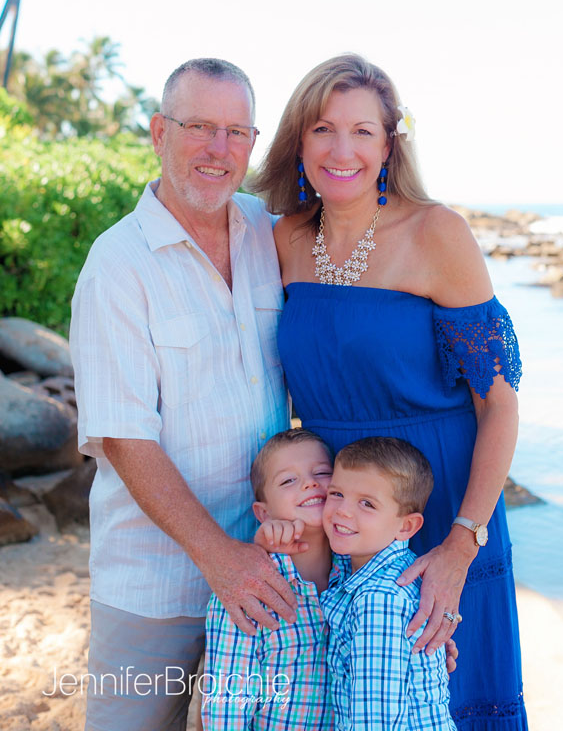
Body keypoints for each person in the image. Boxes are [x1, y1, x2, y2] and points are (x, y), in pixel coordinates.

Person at [250, 53, 527, 729]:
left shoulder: (437, 233)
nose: (341, 149)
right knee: (342, 703)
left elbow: (500, 404)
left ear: (388, 144)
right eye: (322, 129)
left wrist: (463, 541)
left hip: (439, 507)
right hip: (335, 511)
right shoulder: (282, 238)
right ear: (298, 141)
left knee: (450, 701)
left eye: (362, 131)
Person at [70, 58, 296, 731]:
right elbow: (123, 436)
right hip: (154, 586)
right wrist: (219, 557)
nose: (218, 150)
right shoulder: (118, 265)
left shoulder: (268, 233)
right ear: (158, 132)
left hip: (267, 570)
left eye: (236, 131)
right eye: (200, 127)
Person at [202, 427, 335, 730]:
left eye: (323, 473)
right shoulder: (245, 590)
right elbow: (227, 713)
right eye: (289, 480)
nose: (310, 483)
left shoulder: (359, 577)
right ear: (263, 513)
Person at [321, 436, 456, 731]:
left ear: (405, 526)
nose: (343, 511)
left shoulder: (378, 599)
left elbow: (376, 721)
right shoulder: (368, 566)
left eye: (367, 504)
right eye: (337, 493)